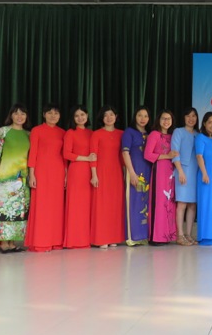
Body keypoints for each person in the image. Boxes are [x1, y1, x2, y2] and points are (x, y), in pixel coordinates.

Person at [0, 103, 31, 253]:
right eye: (16, 113)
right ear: (11, 115)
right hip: (5, 177)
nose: (19, 116)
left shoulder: (28, 134)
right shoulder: (3, 131)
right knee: (5, 208)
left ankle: (13, 243)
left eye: (23, 114)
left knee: (18, 209)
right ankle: (3, 243)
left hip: (23, 179)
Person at [25, 103, 66, 253]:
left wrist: (66, 174)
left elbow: (64, 156)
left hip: (58, 172)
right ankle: (41, 241)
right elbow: (33, 153)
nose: (53, 116)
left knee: (56, 206)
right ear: (44, 115)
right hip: (41, 171)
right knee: (42, 206)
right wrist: (31, 174)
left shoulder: (63, 132)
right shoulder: (37, 130)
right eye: (49, 113)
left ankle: (55, 240)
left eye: (56, 113)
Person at [90, 105, 125, 249]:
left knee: (115, 205)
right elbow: (93, 155)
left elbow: (123, 156)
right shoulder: (96, 134)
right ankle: (101, 238)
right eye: (106, 115)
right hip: (101, 173)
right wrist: (94, 175)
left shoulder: (122, 134)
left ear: (116, 116)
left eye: (111, 114)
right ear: (102, 118)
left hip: (116, 173)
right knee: (102, 205)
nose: (109, 118)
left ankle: (114, 237)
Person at [145, 109, 180, 245]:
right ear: (158, 120)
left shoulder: (173, 136)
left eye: (169, 119)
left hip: (172, 173)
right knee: (159, 202)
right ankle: (156, 237)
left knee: (169, 203)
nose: (166, 121)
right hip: (159, 171)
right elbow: (148, 155)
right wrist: (167, 156)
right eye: (163, 118)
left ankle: (167, 235)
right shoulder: (154, 134)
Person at [62, 105, 95, 249]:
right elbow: (66, 154)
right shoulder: (70, 133)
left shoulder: (91, 133)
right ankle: (74, 240)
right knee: (76, 205)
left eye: (82, 114)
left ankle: (87, 238)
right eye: (77, 116)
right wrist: (86, 158)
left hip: (90, 172)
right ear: (73, 118)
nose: (80, 118)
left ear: (87, 116)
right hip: (76, 171)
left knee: (88, 206)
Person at [122, 106, 152, 246]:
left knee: (145, 202)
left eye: (145, 116)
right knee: (134, 202)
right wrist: (132, 173)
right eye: (140, 115)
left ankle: (144, 235)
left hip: (148, 172)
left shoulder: (150, 134)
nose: (142, 119)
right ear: (135, 117)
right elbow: (125, 153)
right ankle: (132, 236)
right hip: (135, 172)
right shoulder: (129, 132)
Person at [171, 108, 199, 245]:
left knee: (192, 205)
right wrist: (180, 171)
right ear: (184, 118)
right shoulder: (178, 131)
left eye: (193, 116)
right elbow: (175, 152)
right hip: (182, 170)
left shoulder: (198, 134)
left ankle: (188, 234)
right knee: (182, 203)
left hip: (195, 172)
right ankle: (180, 235)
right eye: (188, 116)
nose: (191, 119)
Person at [195, 112, 212, 245]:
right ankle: (205, 236)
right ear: (204, 123)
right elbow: (199, 156)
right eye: (210, 122)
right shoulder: (200, 137)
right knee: (206, 204)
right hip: (206, 175)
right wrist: (204, 173)